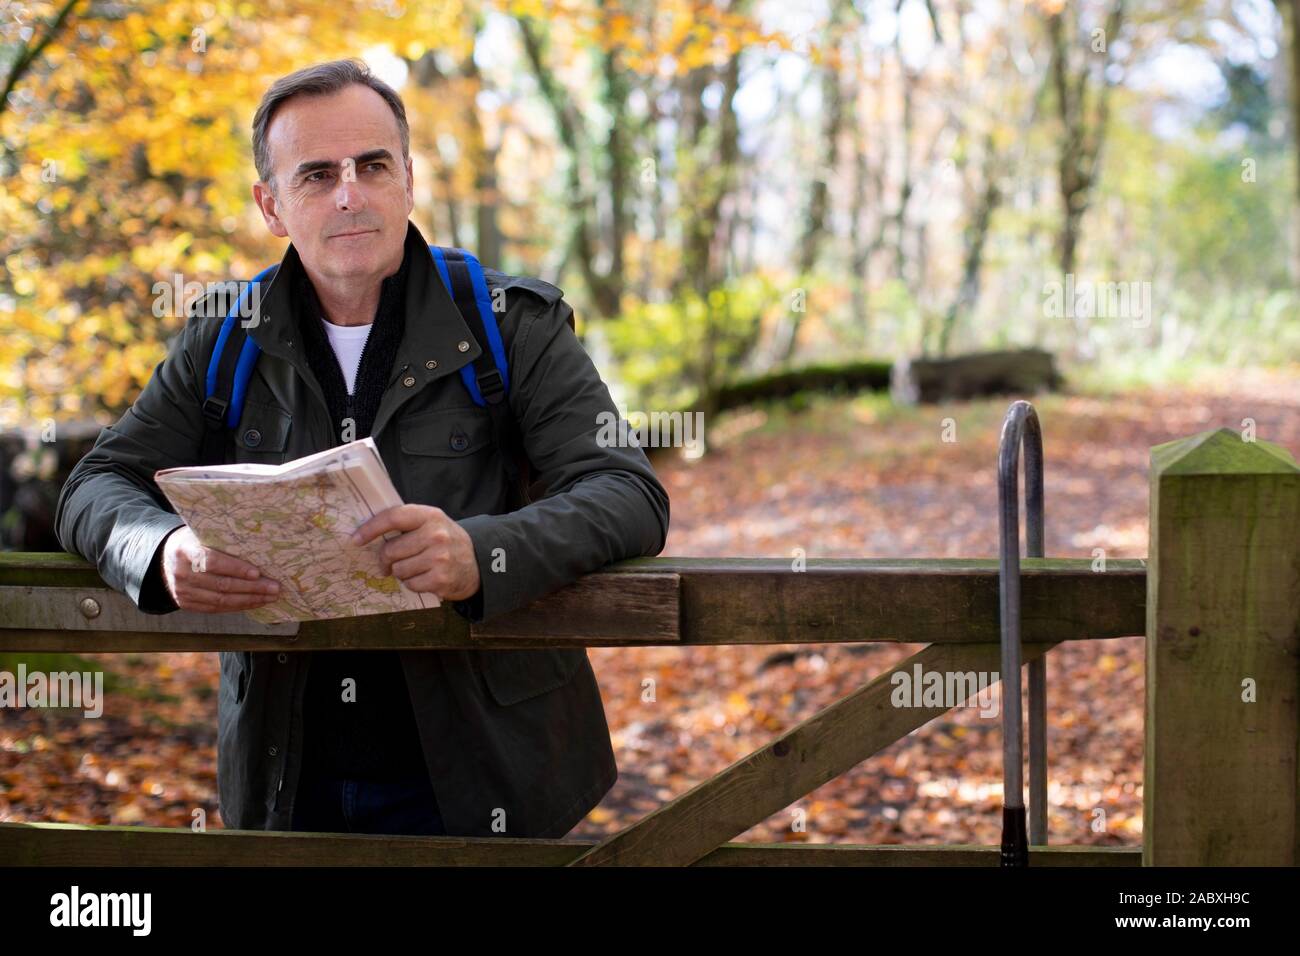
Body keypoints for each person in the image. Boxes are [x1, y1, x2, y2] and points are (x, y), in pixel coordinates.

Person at [54, 59, 670, 839]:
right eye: (316, 175)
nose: (349, 193)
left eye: (372, 166)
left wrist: (484, 553)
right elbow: (94, 484)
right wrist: (162, 548)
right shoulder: (224, 337)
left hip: (486, 770)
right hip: (286, 770)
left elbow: (628, 493)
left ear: (407, 180)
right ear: (271, 205)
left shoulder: (512, 323)